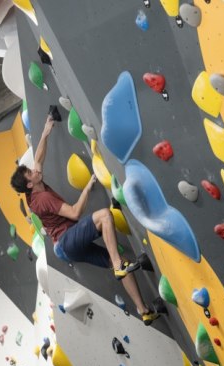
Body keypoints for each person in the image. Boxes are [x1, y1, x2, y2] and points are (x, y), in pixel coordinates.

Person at [11, 114, 160, 325]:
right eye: (30, 174)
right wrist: (88, 188)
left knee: (119, 262)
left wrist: (45, 132)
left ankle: (143, 310)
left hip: (66, 246)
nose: (35, 171)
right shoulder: (42, 198)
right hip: (65, 242)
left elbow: (38, 159)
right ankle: (118, 264)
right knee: (105, 216)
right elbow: (73, 213)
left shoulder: (33, 187)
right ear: (29, 184)